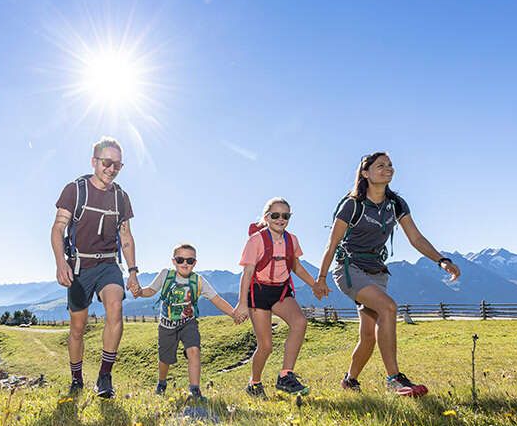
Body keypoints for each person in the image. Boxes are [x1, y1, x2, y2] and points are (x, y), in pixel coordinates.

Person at [314, 152, 461, 396]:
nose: (388, 169)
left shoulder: (396, 204)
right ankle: (394, 379)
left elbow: (416, 238)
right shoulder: (352, 205)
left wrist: (441, 260)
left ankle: (350, 381)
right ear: (365, 173)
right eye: (380, 165)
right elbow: (332, 245)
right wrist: (320, 279)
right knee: (388, 308)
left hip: (377, 272)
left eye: (390, 165)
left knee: (369, 336)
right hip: (350, 270)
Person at [51, 136, 140, 398]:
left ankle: (105, 376)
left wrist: (133, 271)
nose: (112, 169)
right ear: (94, 162)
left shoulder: (121, 197)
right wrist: (60, 263)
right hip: (79, 265)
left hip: (109, 264)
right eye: (107, 162)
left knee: (116, 307)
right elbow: (57, 229)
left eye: (118, 165)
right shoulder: (75, 191)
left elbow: (126, 237)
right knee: (78, 328)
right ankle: (77, 378)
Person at [234, 197, 317, 398]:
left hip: (280, 291)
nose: (281, 219)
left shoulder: (292, 240)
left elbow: (296, 266)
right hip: (258, 292)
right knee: (266, 346)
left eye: (285, 215)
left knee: (299, 322)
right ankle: (254, 384)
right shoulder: (256, 240)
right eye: (275, 215)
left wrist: (315, 284)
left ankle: (285, 375)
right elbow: (247, 272)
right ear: (266, 217)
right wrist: (242, 304)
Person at [136, 243, 239, 401]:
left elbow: (216, 299)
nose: (185, 263)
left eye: (189, 260)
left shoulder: (198, 281)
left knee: (194, 351)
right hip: (167, 325)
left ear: (195, 263)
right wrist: (139, 292)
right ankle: (161, 383)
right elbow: (151, 290)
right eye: (180, 259)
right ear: (174, 261)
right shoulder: (166, 275)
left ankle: (195, 390)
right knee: (165, 359)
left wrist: (233, 313)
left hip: (188, 323)